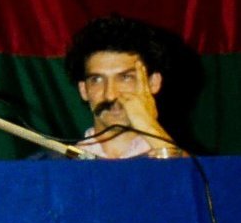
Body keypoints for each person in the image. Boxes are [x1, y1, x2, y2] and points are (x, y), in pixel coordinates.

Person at [66, 14, 184, 160]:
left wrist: (151, 129)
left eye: (125, 78)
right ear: (83, 89)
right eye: (96, 79)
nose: (110, 95)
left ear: (153, 82)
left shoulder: (183, 161)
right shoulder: (52, 165)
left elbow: (200, 181)